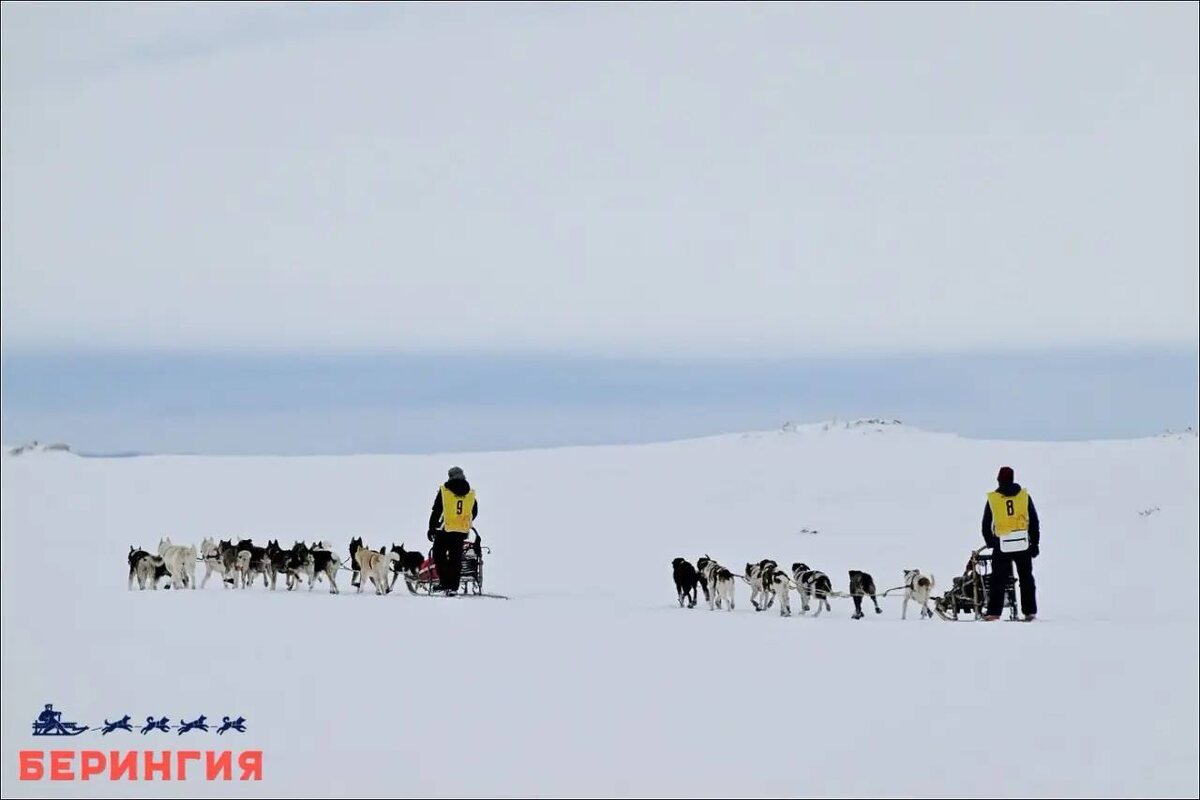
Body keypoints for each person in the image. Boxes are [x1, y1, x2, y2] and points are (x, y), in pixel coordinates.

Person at [981, 466, 1040, 621]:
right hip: (1023, 544)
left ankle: (994, 613)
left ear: (999, 480)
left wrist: (991, 542)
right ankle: (1029, 612)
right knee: (1026, 578)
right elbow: (1034, 521)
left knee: (997, 580)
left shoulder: (994, 499)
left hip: (1002, 545)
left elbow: (986, 524)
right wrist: (1035, 544)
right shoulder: (1024, 496)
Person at [427, 466, 478, 596]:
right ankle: (453, 586)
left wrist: (432, 528)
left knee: (439, 555)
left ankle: (445, 583)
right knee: (455, 558)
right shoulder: (470, 493)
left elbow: (436, 510)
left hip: (445, 530)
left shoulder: (445, 491)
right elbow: (474, 511)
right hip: (461, 531)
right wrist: (464, 522)